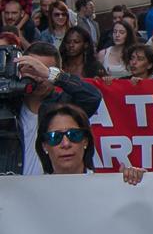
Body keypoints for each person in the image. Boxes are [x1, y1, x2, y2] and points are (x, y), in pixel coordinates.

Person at [9, 42, 102, 175]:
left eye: (43, 70)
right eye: (31, 69)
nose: (38, 78)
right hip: (10, 189)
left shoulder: (64, 104)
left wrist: (51, 74)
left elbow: (92, 97)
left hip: (54, 188)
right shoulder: (8, 105)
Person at [35, 103, 95, 175]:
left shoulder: (104, 185)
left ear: (85, 141)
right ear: (44, 146)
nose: (66, 144)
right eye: (55, 137)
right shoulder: (35, 186)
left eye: (74, 135)